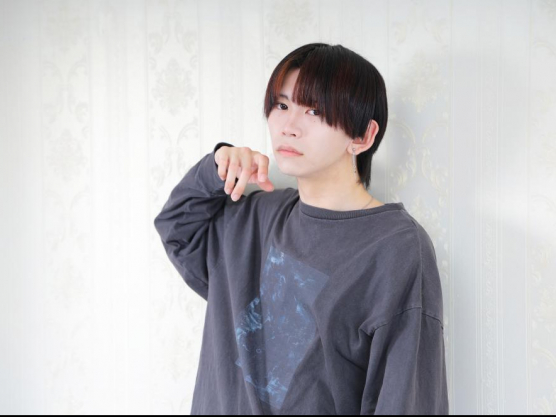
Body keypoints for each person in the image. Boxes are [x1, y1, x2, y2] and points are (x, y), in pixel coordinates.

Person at [154, 43, 449, 415]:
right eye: (281, 105)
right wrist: (217, 168)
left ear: (362, 135)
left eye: (314, 110)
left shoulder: (396, 248)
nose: (289, 127)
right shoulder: (250, 217)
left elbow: (406, 400)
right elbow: (177, 227)